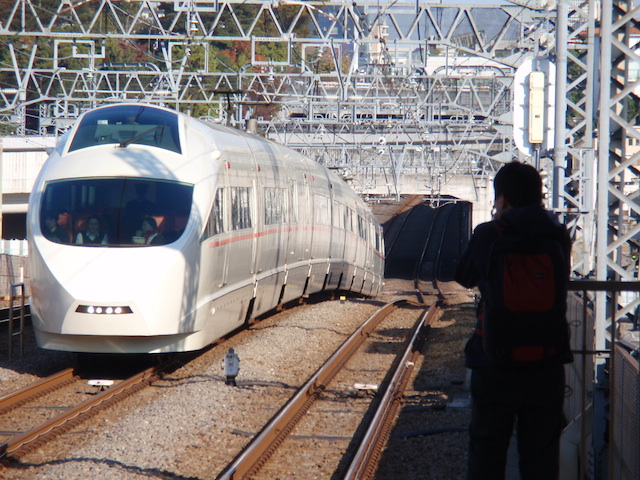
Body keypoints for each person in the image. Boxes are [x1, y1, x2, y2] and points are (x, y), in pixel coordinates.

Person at [454, 161, 573, 480]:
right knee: (540, 455)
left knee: (487, 450)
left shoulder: (490, 233)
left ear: (502, 198)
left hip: (495, 360)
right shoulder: (557, 234)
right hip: (547, 362)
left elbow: (463, 276)